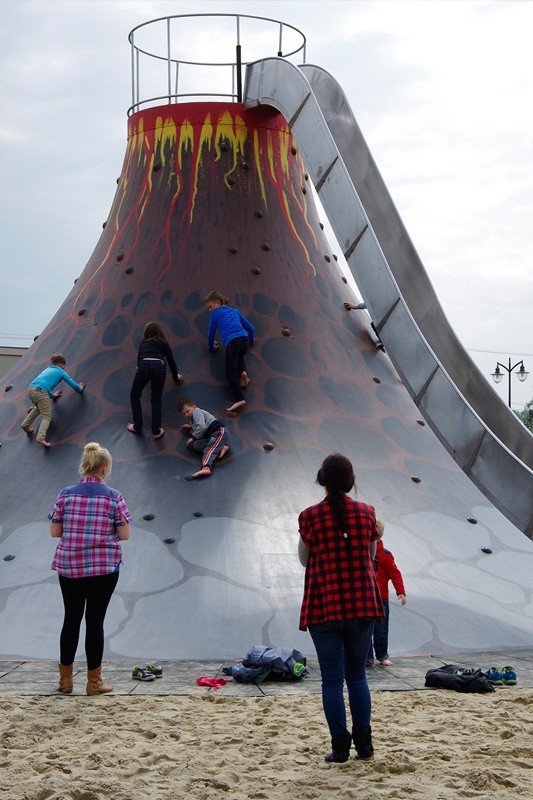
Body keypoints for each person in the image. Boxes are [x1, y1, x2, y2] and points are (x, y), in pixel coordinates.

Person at [298, 453, 383, 763]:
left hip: (325, 605)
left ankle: (339, 747)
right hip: (362, 604)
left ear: (322, 480)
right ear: (350, 481)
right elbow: (371, 553)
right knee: (357, 675)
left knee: (332, 679)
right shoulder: (368, 514)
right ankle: (365, 744)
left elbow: (304, 559)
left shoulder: (309, 517)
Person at [49, 442, 131, 695]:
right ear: (105, 468)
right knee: (95, 622)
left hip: (69, 566)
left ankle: (65, 681)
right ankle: (94, 683)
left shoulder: (65, 494)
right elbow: (125, 534)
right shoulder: (114, 497)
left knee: (71, 619)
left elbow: (55, 532)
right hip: (103, 568)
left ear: (84, 465)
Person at [127, 321, 183, 439]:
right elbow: (172, 363)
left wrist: (143, 372)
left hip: (144, 365)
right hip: (159, 366)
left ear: (146, 332)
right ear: (160, 332)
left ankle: (137, 426)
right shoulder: (164, 343)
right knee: (156, 400)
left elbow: (139, 360)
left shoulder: (143, 342)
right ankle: (156, 431)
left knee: (135, 396)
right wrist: (175, 378)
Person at [204, 291, 254, 414]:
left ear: (217, 303)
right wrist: (251, 341)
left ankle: (239, 398)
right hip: (244, 339)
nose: (210, 310)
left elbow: (211, 333)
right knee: (239, 358)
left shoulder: (215, 314)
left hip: (233, 342)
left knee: (230, 371)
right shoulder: (234, 311)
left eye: (210, 307)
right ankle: (243, 375)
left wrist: (211, 347)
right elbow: (251, 328)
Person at [20, 353, 85, 448]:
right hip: (41, 391)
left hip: (31, 389)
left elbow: (45, 385)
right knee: (47, 416)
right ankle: (41, 437)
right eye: (64, 365)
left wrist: (53, 396)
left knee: (38, 408)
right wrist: (79, 388)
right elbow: (71, 383)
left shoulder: (47, 369)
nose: (65, 367)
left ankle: (25, 425)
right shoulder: (61, 372)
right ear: (62, 364)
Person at [366, 521, 406, 668]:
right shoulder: (363, 553)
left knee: (381, 630)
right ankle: (367, 658)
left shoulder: (384, 555)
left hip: (381, 599)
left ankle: (382, 655)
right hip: (366, 599)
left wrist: (400, 592)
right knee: (364, 631)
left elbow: (395, 574)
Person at [177, 396, 229, 479]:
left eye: (187, 411)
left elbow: (201, 426)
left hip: (218, 432)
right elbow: (198, 426)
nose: (186, 414)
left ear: (194, 407)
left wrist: (193, 437)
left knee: (208, 449)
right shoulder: (192, 419)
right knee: (196, 445)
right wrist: (190, 427)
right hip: (212, 436)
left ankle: (206, 467)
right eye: (184, 414)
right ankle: (222, 447)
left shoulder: (196, 412)